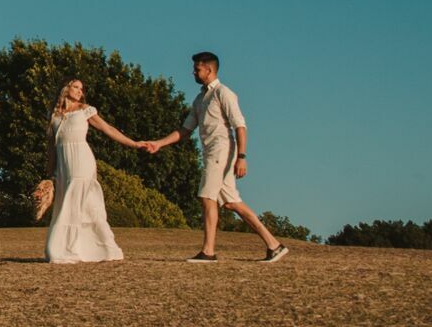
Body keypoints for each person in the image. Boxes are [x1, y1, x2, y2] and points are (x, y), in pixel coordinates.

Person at [147, 51, 289, 263]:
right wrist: (159, 143)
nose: (193, 72)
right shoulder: (199, 99)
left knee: (207, 197)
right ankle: (274, 245)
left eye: (197, 69)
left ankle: (208, 251)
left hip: (221, 151)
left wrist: (242, 157)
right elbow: (185, 130)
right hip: (211, 153)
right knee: (231, 203)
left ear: (209, 69)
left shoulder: (224, 93)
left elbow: (240, 126)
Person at [41, 79, 156, 263]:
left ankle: (65, 249)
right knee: (74, 203)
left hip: (81, 161)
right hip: (63, 166)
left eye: (81, 89)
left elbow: (107, 128)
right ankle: (98, 249)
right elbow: (51, 147)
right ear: (65, 88)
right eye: (76, 87)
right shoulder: (54, 115)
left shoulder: (85, 110)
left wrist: (134, 144)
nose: (80, 91)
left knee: (74, 202)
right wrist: (50, 174)